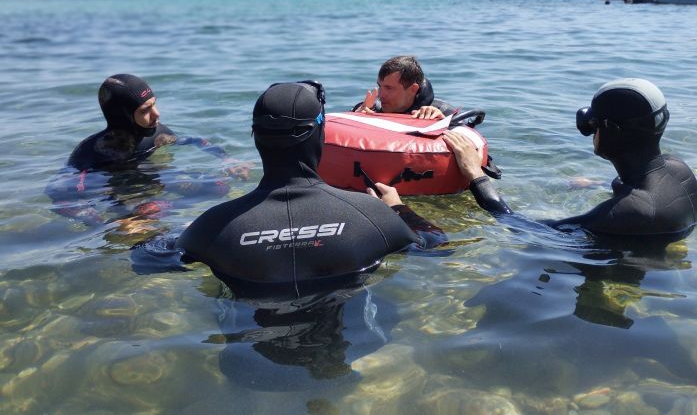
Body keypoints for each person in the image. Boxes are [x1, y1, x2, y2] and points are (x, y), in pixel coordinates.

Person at [175, 80, 444, 290]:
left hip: (243, 353)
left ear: (256, 138)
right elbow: (435, 245)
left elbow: (148, 260)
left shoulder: (212, 227)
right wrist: (398, 209)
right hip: (348, 350)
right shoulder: (371, 215)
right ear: (321, 137)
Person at [441, 78, 697, 237]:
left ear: (611, 132)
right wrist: (598, 184)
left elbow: (523, 226)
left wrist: (475, 174)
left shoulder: (628, 211)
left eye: (593, 124)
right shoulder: (678, 168)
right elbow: (641, 192)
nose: (590, 131)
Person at [46, 73, 248, 225]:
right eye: (145, 110)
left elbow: (196, 141)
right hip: (116, 194)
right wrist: (104, 222)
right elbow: (60, 193)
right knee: (136, 227)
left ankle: (163, 208)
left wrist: (228, 160)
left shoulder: (157, 133)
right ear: (122, 115)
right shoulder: (93, 150)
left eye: (154, 105)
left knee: (220, 187)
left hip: (152, 183)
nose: (157, 114)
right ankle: (136, 222)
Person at [353, 56, 455, 119]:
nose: (380, 95)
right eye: (380, 86)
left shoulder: (442, 112)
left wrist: (441, 121)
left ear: (413, 89)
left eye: (389, 88)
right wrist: (355, 117)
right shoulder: (372, 109)